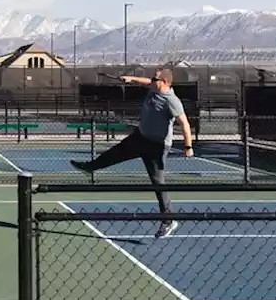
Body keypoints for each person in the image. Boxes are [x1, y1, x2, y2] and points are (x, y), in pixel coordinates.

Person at [69, 68, 193, 238]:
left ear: (164, 82)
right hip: (140, 137)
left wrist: (188, 147)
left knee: (158, 183)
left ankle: (168, 220)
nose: (151, 81)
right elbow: (144, 81)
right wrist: (130, 78)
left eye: (155, 79)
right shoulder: (154, 87)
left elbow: (185, 124)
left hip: (156, 147)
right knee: (116, 152)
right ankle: (90, 167)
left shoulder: (172, 101)